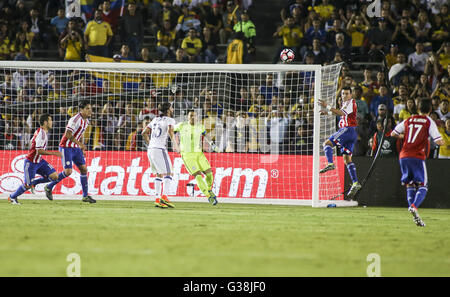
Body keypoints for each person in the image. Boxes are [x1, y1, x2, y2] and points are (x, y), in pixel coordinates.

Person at [391, 99, 445, 227]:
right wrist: (442, 141)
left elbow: (394, 133)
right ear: (430, 110)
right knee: (423, 185)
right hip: (417, 157)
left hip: (403, 156)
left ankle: (414, 213)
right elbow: (438, 141)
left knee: (410, 185)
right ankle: (414, 207)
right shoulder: (428, 121)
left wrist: (405, 137)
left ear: (418, 108)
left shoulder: (409, 119)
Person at [43, 100, 96, 203]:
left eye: (91, 108)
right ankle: (49, 187)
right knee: (68, 172)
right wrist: (80, 144)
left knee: (84, 169)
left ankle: (85, 196)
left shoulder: (86, 121)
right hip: (66, 147)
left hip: (75, 148)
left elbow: (79, 134)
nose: (90, 111)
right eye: (87, 108)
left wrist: (81, 147)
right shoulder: (75, 119)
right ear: (81, 110)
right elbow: (68, 134)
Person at [8, 114, 63, 205]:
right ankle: (12, 197)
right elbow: (39, 151)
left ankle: (35, 182)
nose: (52, 122)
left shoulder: (40, 131)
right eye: (50, 120)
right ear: (45, 122)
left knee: (54, 176)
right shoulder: (41, 134)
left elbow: (31, 142)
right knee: (27, 185)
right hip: (31, 163)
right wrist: (54, 153)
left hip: (40, 161)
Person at [318, 86, 361, 199]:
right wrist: (328, 113)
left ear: (351, 95)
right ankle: (355, 182)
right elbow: (343, 114)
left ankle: (330, 164)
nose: (345, 96)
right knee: (347, 160)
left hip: (347, 130)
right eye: (343, 94)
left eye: (347, 93)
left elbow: (341, 113)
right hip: (351, 134)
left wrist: (326, 106)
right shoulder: (346, 104)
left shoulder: (350, 102)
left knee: (327, 144)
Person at [174, 110, 219, 205]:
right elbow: (170, 130)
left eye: (195, 116)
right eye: (191, 116)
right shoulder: (181, 125)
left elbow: (206, 136)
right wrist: (174, 142)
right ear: (188, 117)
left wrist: (213, 145)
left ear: (197, 117)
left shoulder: (200, 127)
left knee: (209, 174)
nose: (193, 117)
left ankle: (209, 189)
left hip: (199, 154)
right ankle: (209, 196)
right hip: (187, 155)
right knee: (198, 175)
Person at [141, 103, 179, 209]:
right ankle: (165, 197)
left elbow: (144, 133)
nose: (172, 109)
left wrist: (150, 144)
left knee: (159, 174)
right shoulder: (170, 120)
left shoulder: (155, 119)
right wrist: (176, 145)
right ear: (168, 110)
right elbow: (171, 132)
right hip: (160, 149)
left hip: (151, 149)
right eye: (171, 107)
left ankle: (157, 199)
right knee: (169, 172)